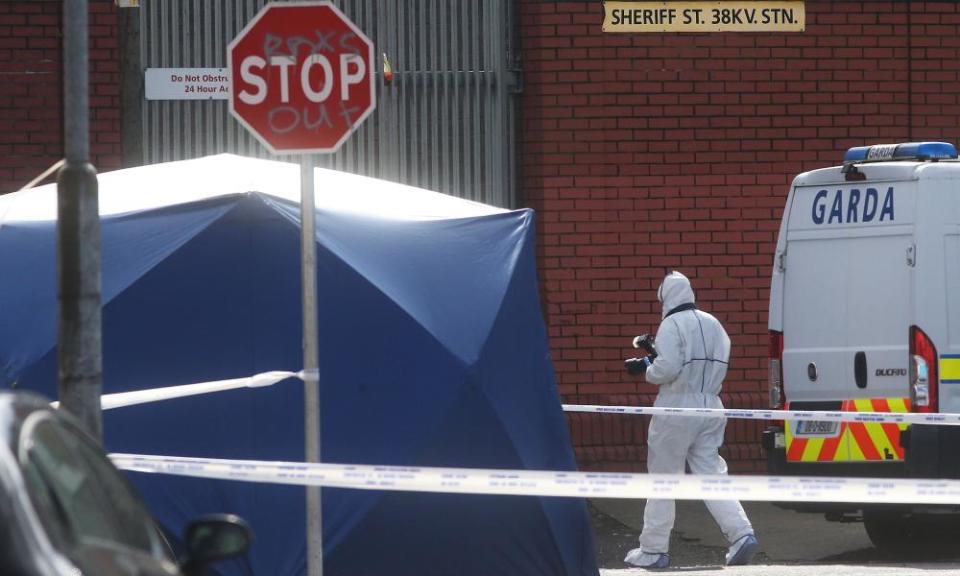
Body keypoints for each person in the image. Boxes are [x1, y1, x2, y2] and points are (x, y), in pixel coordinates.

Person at [623, 271, 759, 569]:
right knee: (712, 474)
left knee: (664, 477)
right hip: (711, 405)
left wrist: (645, 370)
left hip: (676, 407)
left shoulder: (671, 325)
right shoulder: (714, 324)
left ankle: (653, 549)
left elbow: (667, 369)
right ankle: (741, 534)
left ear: (667, 297)